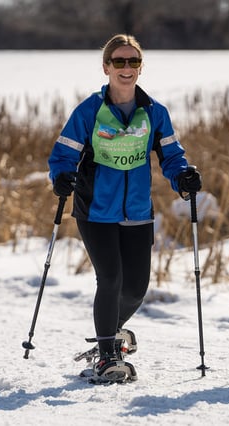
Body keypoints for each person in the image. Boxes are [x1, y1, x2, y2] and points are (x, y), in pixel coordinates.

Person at [48, 34, 202, 379]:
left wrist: (184, 179)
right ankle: (107, 357)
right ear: (106, 67)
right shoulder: (90, 110)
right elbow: (63, 154)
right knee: (111, 278)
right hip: (96, 209)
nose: (126, 68)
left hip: (137, 211)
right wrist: (60, 177)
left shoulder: (154, 112)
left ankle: (110, 333)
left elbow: (172, 157)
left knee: (135, 288)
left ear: (140, 67)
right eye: (119, 61)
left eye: (133, 62)